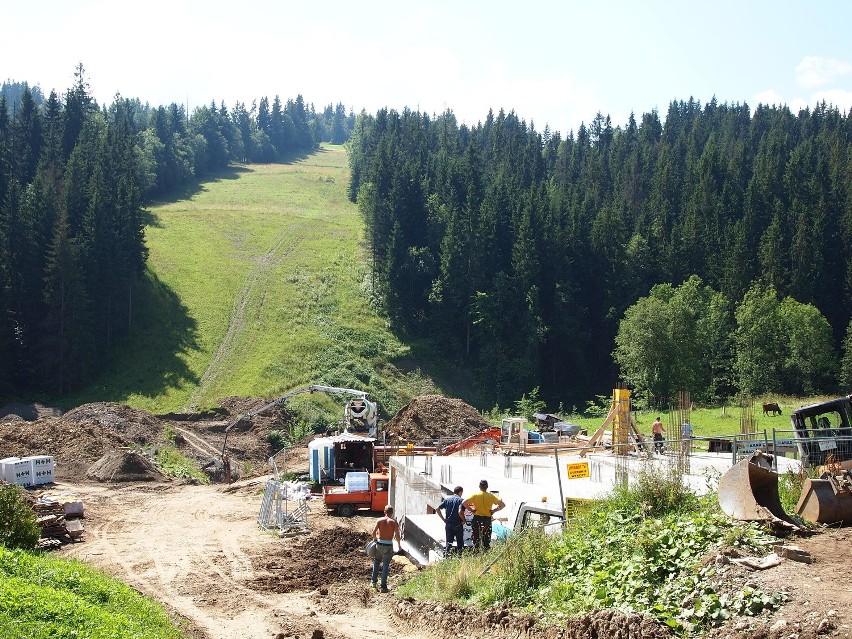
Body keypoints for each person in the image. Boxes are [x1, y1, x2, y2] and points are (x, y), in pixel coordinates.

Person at [461, 480, 505, 552]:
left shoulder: (475, 495)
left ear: (479, 487)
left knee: (476, 537)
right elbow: (503, 505)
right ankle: (486, 552)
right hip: (487, 519)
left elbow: (464, 502)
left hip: (477, 518)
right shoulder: (491, 496)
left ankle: (476, 552)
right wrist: (494, 510)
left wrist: (471, 510)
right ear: (487, 487)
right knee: (486, 538)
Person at [370, 505, 401, 593]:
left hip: (379, 544)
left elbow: (373, 533)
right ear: (392, 512)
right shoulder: (394, 522)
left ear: (384, 511)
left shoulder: (379, 520)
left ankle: (373, 582)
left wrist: (375, 539)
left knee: (376, 562)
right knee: (386, 565)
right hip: (388, 545)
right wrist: (399, 545)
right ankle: (383, 587)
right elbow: (397, 535)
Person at [436, 486, 465, 556]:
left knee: (449, 543)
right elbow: (460, 512)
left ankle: (446, 556)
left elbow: (437, 508)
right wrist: (464, 520)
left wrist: (443, 519)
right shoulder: (461, 500)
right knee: (460, 543)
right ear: (460, 492)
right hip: (458, 524)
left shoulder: (447, 500)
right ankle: (460, 557)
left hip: (448, 524)